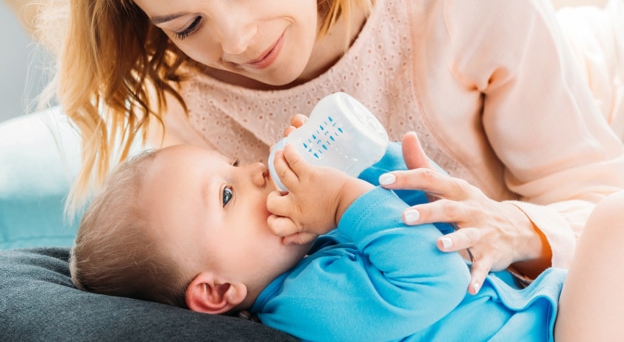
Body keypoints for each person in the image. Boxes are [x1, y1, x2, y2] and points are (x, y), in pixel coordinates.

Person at [42, 0, 624, 294]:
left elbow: (600, 197)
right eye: (187, 25)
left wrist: (518, 229)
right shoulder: (191, 104)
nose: (237, 42)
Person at [69, 136, 624, 340]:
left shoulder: (318, 252)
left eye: (235, 163)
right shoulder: (307, 308)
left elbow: (414, 221)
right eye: (228, 195)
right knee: (612, 221)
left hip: (550, 309)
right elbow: (436, 277)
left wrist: (360, 159)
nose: (258, 172)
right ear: (217, 292)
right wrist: (341, 201)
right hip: (554, 332)